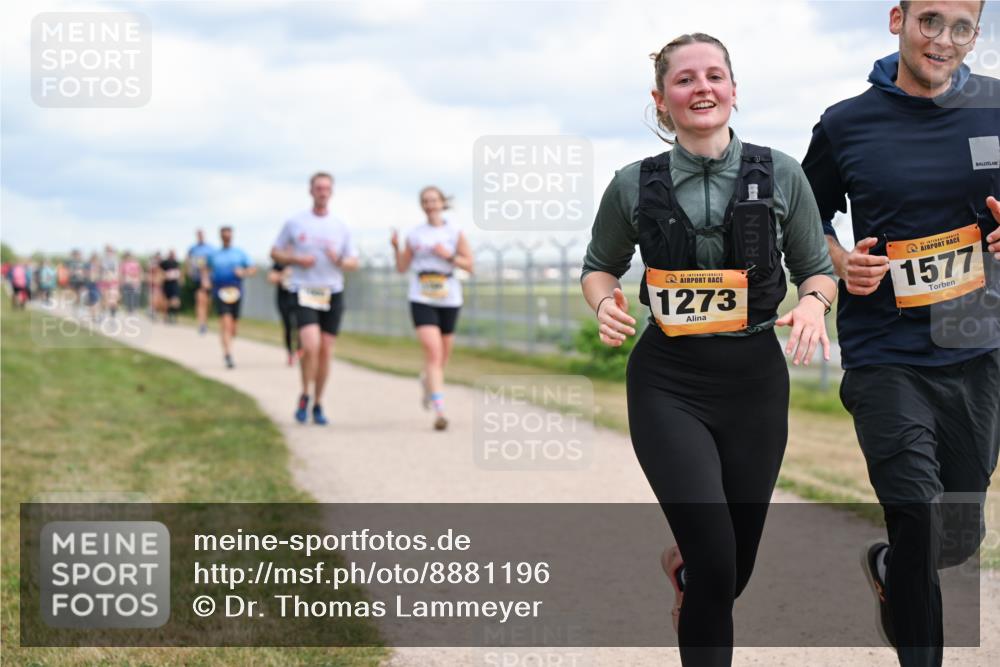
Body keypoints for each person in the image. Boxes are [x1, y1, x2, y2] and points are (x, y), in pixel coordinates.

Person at [580, 33, 837, 667]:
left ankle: (689, 575)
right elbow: (598, 267)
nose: (702, 88)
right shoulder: (630, 184)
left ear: (733, 90)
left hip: (754, 379)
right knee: (716, 559)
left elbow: (815, 268)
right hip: (669, 380)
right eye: (685, 79)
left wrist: (812, 303)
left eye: (714, 76)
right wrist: (604, 303)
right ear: (662, 100)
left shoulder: (781, 173)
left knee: (731, 568)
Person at [801, 2, 999, 665]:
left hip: (979, 348)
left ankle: (892, 567)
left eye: (961, 27)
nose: (943, 39)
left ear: (977, 34)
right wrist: (837, 259)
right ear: (897, 19)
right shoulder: (846, 123)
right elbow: (803, 214)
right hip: (886, 352)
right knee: (916, 513)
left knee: (953, 536)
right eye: (929, 20)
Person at [271, 171, 359, 425]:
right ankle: (304, 393)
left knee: (325, 351)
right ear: (311, 191)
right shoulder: (295, 222)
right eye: (318, 188)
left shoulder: (340, 226)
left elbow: (353, 262)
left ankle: (318, 402)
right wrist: (296, 259)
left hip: (332, 291)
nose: (322, 192)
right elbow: (275, 252)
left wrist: (339, 260)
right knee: (310, 345)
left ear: (331, 192)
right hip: (304, 289)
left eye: (326, 188)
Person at [391, 186, 473, 431]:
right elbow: (402, 267)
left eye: (433, 200)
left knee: (442, 357)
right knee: (433, 352)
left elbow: (469, 265)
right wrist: (396, 247)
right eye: (425, 201)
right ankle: (439, 410)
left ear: (441, 203)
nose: (430, 204)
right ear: (421, 205)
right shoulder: (415, 235)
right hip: (421, 295)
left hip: (449, 296)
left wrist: (448, 256)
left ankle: (428, 382)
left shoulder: (454, 231)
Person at [204, 226, 256, 369]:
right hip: (220, 291)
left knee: (233, 327)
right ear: (221, 237)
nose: (226, 238)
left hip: (236, 291)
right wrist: (206, 280)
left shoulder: (240, 253)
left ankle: (229, 344)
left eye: (229, 235)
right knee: (225, 323)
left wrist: (244, 272)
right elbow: (206, 269)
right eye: (224, 236)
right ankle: (228, 354)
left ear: (232, 236)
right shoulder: (214, 255)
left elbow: (253, 269)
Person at [268, 261, 300, 366]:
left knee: (301, 325)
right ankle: (290, 353)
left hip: (300, 298)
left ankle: (300, 350)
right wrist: (283, 274)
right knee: (288, 326)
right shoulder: (279, 263)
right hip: (283, 298)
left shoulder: (301, 259)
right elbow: (271, 278)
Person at [186, 229, 215, 334]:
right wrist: (188, 270)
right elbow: (188, 260)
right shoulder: (193, 248)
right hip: (197, 278)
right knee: (200, 300)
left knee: (207, 302)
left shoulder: (211, 248)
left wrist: (208, 275)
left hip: (209, 278)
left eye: (202, 235)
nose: (200, 236)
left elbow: (214, 263)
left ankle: (205, 322)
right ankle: (201, 324)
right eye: (198, 235)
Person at [159, 250, 182, 324]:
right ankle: (166, 317)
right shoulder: (164, 263)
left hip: (174, 284)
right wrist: (163, 275)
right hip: (166, 284)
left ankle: (174, 316)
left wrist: (180, 280)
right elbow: (159, 270)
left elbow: (179, 272)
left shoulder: (176, 263)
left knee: (175, 300)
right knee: (166, 300)